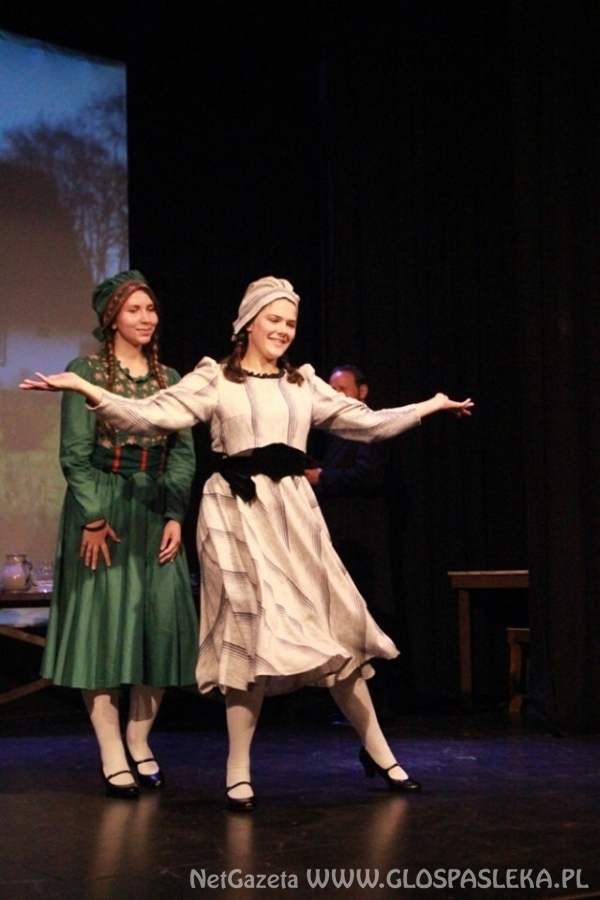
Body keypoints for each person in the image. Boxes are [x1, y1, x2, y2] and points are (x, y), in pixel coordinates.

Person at [21, 275, 473, 810]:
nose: (283, 330)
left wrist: (427, 406)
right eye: (273, 319)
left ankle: (379, 751)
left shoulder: (303, 384)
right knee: (248, 631)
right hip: (231, 511)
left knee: (337, 625)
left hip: (293, 515)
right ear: (248, 323)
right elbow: (153, 415)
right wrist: (90, 391)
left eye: (290, 322)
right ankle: (238, 769)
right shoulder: (214, 378)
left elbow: (367, 424)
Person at [37, 270, 198, 800]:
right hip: (103, 509)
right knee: (102, 631)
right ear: (112, 318)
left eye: (150, 309)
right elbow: (74, 452)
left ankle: (139, 738)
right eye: (134, 310)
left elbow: (182, 453)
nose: (146, 318)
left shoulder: (171, 377)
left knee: (159, 624)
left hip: (154, 508)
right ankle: (110, 749)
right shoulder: (84, 372)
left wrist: (174, 512)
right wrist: (92, 517)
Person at [305, 364, 404, 720]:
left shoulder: (369, 426)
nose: (335, 396)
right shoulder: (334, 432)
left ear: (362, 391)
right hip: (341, 538)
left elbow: (368, 475)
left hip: (364, 538)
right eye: (330, 390)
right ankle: (350, 704)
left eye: (342, 389)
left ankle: (379, 706)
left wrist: (321, 477)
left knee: (368, 615)